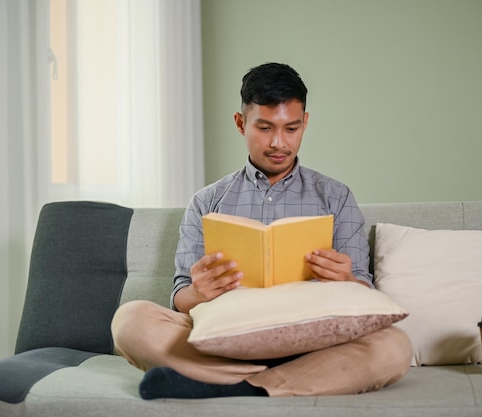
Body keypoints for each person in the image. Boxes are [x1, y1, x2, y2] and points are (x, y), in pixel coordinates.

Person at [111, 62, 412, 399]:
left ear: (305, 123)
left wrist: (347, 281)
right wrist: (200, 291)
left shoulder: (336, 197)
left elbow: (364, 292)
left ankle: (238, 386)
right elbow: (181, 296)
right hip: (225, 340)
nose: (279, 143)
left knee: (394, 346)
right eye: (265, 128)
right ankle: (279, 380)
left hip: (314, 343)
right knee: (130, 319)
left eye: (291, 129)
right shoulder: (207, 201)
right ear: (241, 124)